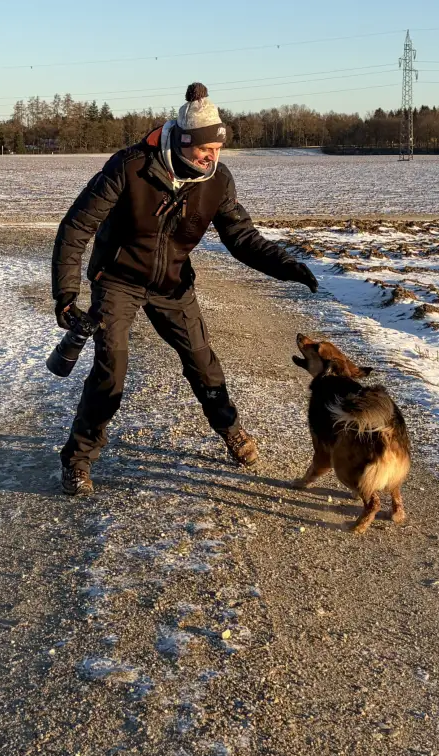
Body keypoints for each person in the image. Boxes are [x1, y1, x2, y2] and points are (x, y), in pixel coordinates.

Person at [52, 83, 319, 496]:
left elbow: (242, 238)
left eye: (218, 149)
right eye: (204, 148)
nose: (212, 157)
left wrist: (287, 266)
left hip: (172, 284)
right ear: (181, 141)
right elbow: (76, 227)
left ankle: (230, 429)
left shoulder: (217, 181)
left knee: (202, 362)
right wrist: (66, 296)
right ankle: (77, 459)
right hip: (118, 280)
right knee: (110, 372)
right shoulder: (130, 167)